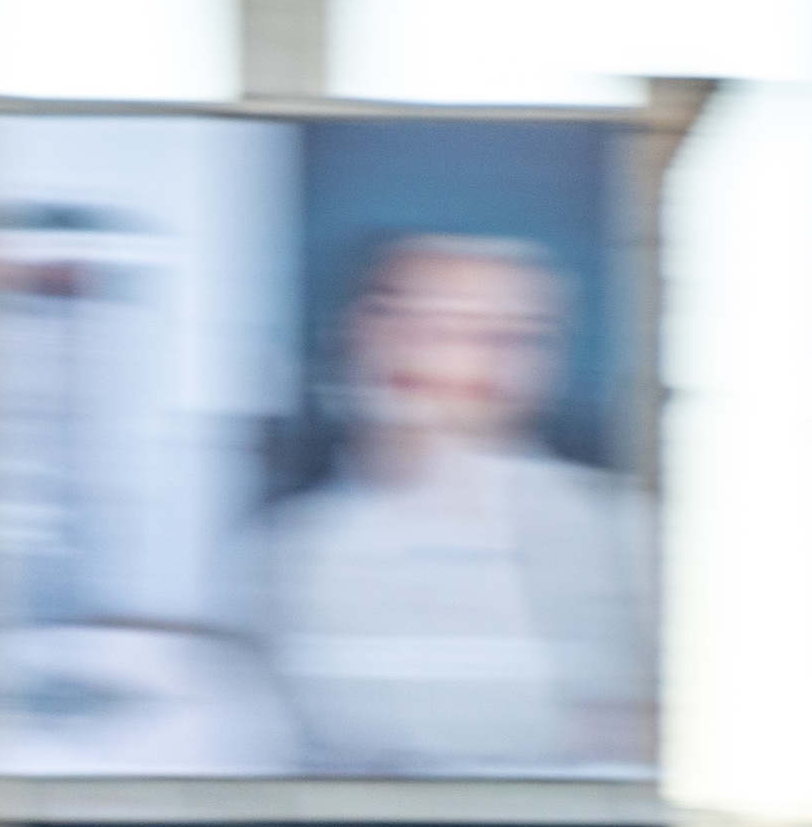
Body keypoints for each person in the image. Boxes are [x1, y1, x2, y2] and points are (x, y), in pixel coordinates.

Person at [257, 234, 653, 777]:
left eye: (500, 337)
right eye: (420, 327)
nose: (451, 359)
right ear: (359, 336)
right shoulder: (288, 553)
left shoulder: (625, 536)